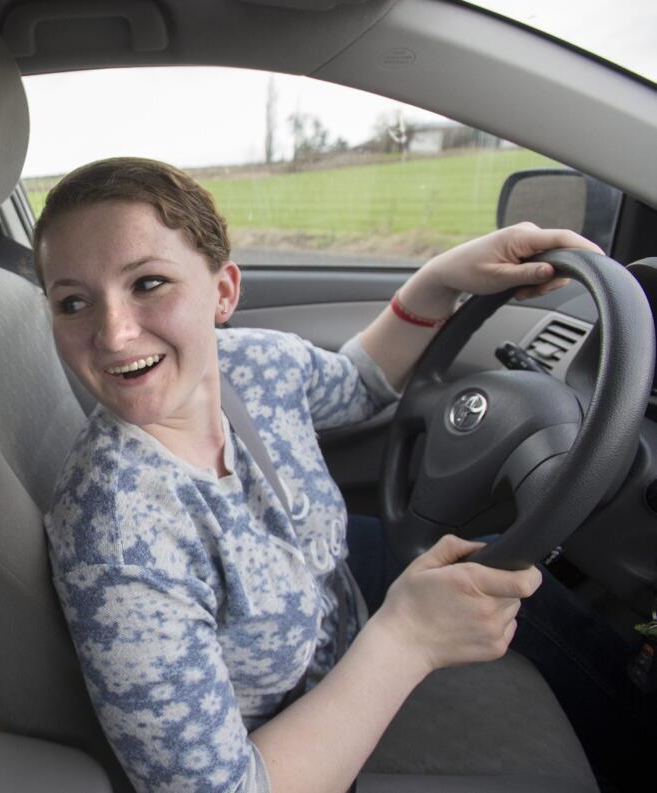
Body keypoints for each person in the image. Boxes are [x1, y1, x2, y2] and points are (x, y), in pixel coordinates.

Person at [35, 157, 602, 793]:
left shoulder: (254, 364)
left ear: (223, 292)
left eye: (147, 284)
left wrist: (442, 279)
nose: (113, 334)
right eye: (74, 302)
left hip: (347, 618)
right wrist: (409, 638)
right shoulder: (116, 537)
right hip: (305, 748)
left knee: (520, 575)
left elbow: (361, 383)